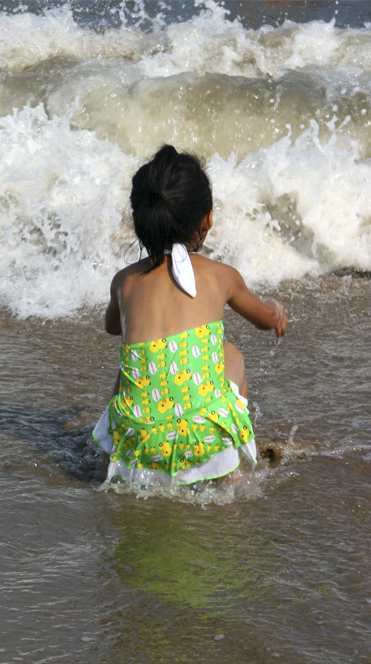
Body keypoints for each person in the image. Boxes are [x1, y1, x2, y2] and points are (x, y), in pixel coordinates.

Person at [93, 144, 287, 486]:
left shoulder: (124, 282)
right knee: (231, 355)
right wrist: (276, 310)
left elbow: (112, 327)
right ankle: (230, 475)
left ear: (139, 220)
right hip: (201, 439)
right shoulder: (220, 275)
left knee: (131, 366)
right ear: (207, 218)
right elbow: (264, 319)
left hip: (142, 443)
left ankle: (116, 461)